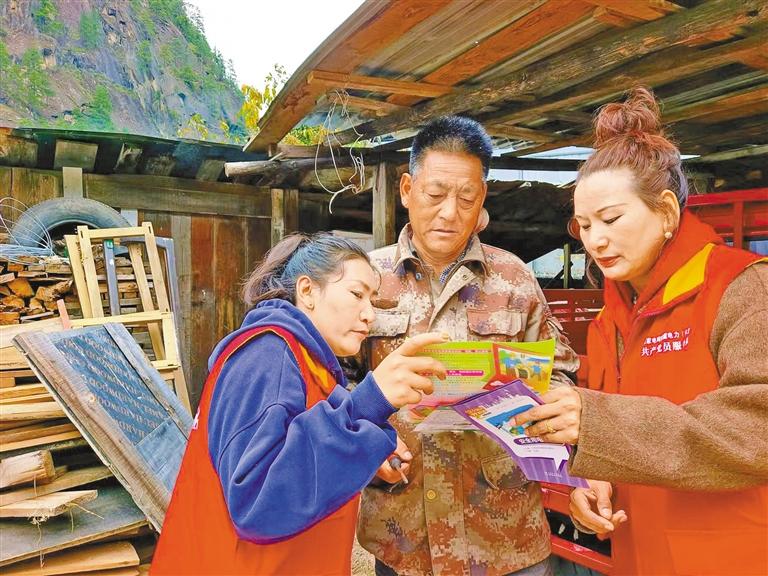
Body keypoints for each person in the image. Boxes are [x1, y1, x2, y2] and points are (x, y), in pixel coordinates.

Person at [515, 87, 768, 576]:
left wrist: (597, 424)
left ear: (667, 211)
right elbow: (616, 440)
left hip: (733, 556)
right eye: (584, 226)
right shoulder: (609, 318)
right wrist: (589, 484)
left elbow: (757, 427)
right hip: (639, 555)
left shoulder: (741, 287)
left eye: (611, 219)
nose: (596, 240)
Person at [355, 116, 579, 576]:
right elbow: (335, 385)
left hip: (504, 531)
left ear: (482, 199)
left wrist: (532, 406)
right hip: (403, 533)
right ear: (407, 190)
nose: (449, 213)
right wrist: (367, 445)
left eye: (466, 198)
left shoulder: (514, 278)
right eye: (435, 194)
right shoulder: (367, 280)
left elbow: (560, 375)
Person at [151, 233, 448, 575]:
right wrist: (370, 402)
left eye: (373, 300)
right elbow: (257, 502)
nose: (369, 315)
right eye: (356, 294)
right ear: (307, 291)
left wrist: (362, 447)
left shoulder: (308, 363)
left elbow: (301, 451)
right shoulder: (268, 355)